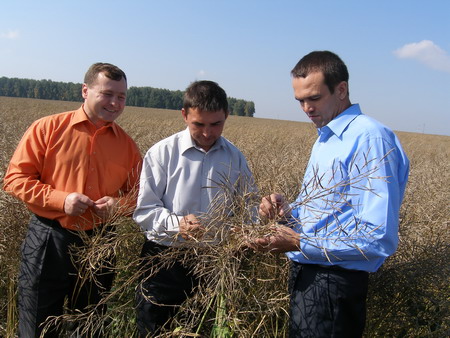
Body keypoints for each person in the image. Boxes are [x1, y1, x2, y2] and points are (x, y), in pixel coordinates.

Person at [251, 51, 410, 337]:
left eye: (314, 98)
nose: (306, 108)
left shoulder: (369, 138)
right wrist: (287, 212)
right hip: (308, 276)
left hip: (335, 283)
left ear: (341, 90)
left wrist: (299, 241)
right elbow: (329, 213)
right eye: (300, 100)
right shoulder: (327, 137)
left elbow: (376, 238)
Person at [3, 63, 142, 337]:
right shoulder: (47, 128)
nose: (115, 103)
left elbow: (141, 196)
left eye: (121, 96)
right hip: (48, 239)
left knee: (90, 326)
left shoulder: (127, 146)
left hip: (101, 242)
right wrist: (61, 200)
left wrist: (119, 207)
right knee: (36, 326)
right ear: (85, 90)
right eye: (107, 94)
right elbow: (15, 179)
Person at [133, 80, 256, 336]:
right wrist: (177, 226)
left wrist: (246, 226)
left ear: (226, 116)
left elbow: (249, 203)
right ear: (184, 115)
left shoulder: (235, 157)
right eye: (198, 124)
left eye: (216, 124)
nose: (208, 133)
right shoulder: (161, 153)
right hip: (162, 260)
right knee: (154, 330)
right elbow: (145, 211)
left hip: (212, 263)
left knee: (199, 329)